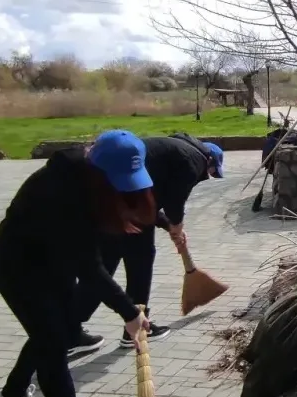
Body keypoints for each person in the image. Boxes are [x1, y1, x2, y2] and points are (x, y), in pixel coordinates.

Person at [0, 129, 153, 397]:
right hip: (18, 268)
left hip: (54, 265)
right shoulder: (60, 192)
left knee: (51, 334)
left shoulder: (92, 179)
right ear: (100, 173)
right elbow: (90, 268)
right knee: (52, 345)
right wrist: (130, 313)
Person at [68, 133, 224, 353]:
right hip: (127, 211)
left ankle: (69, 330)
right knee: (139, 265)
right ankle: (136, 329)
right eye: (212, 172)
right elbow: (174, 201)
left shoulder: (170, 151)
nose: (208, 177)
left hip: (112, 207)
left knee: (102, 269)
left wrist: (168, 224)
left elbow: (150, 197)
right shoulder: (193, 161)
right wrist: (176, 225)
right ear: (210, 161)